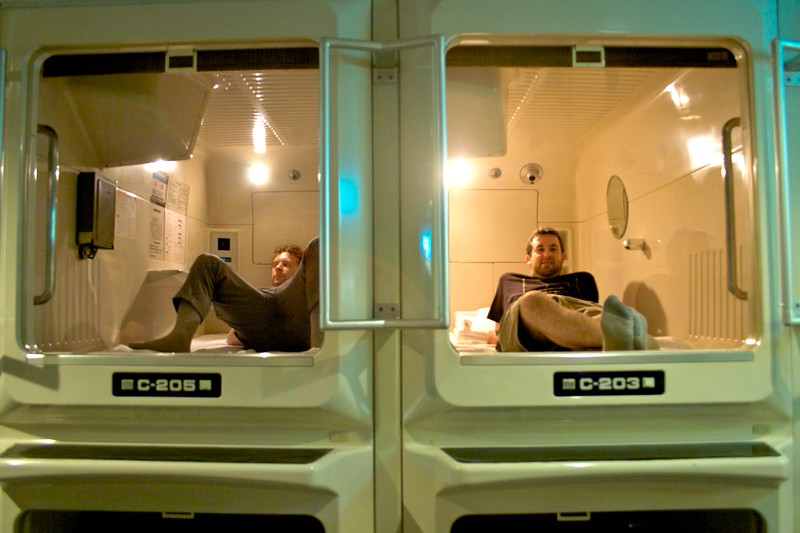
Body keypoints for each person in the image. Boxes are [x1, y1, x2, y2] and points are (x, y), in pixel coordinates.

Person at [129, 237, 321, 353]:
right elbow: (232, 339)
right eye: (275, 264)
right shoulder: (260, 298)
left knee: (318, 244)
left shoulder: (305, 285)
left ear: (301, 269)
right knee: (208, 262)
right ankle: (179, 337)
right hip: (261, 313)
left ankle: (320, 347)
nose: (278, 267)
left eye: (286, 264)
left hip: (296, 314)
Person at [487, 227, 655, 352]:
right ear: (528, 259)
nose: (547, 254)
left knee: (595, 315)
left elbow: (584, 314)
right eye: (540, 249)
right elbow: (498, 330)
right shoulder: (509, 280)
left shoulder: (582, 279)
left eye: (553, 249)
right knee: (532, 301)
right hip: (524, 326)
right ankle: (629, 335)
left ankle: (620, 332)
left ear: (564, 257)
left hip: (569, 317)